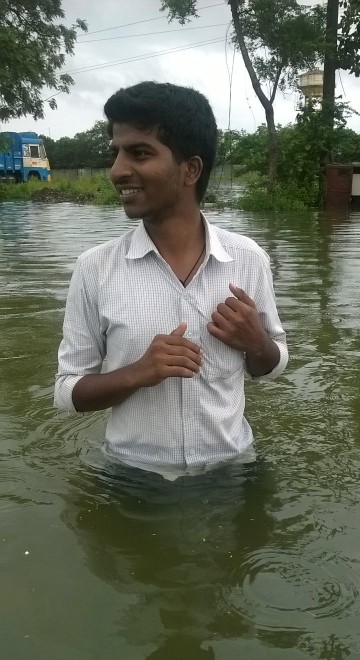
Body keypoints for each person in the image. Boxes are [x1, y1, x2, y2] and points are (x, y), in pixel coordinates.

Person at [54, 81, 288, 477]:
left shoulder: (247, 259)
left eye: (139, 153)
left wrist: (258, 343)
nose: (117, 171)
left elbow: (273, 363)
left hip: (230, 470)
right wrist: (137, 373)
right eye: (116, 154)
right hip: (132, 478)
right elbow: (66, 392)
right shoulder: (95, 268)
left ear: (190, 169)